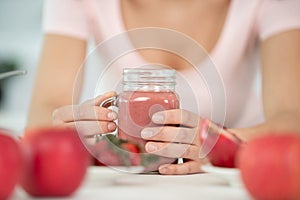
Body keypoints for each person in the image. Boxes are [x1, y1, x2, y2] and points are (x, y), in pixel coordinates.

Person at [27, 0, 300, 174]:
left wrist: (219, 145)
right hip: (130, 183)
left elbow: (292, 119)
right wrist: (66, 135)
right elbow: (44, 112)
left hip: (235, 178)